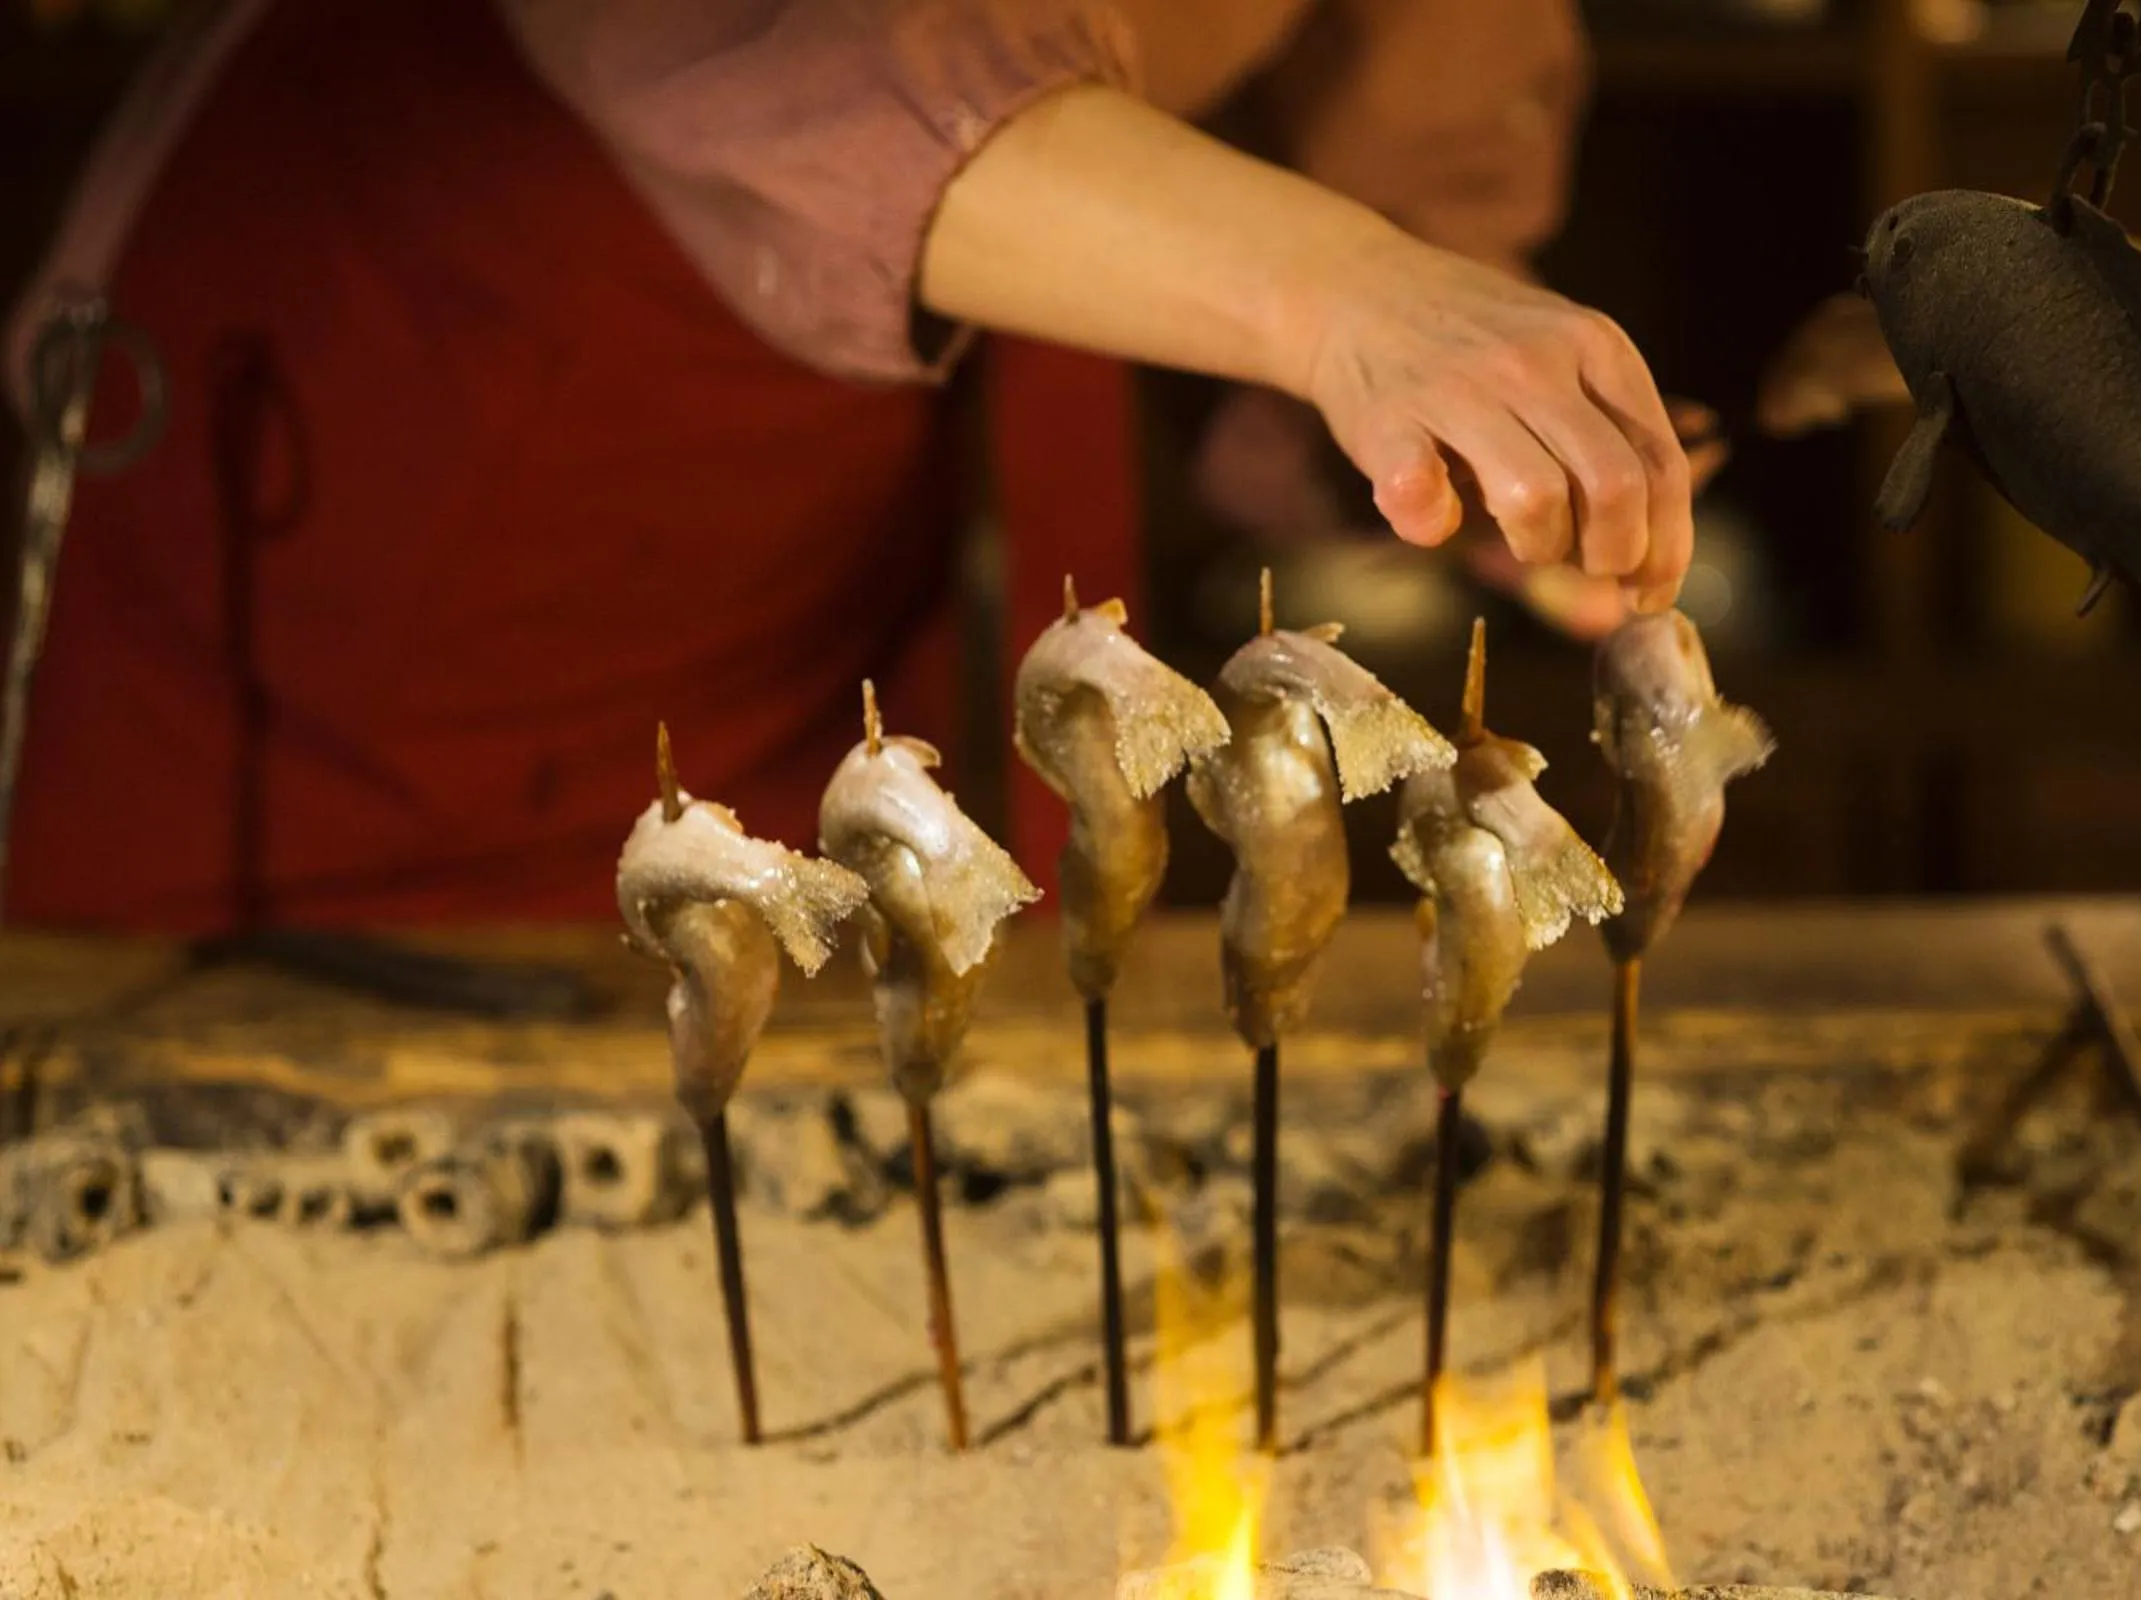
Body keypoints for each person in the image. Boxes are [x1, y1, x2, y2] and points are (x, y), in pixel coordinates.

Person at [3, 0, 1713, 933]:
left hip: (813, 552)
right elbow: (770, 49)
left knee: (798, 1009)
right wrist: (1343, 296)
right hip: (418, 420)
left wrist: (1439, 384)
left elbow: (1409, 73)